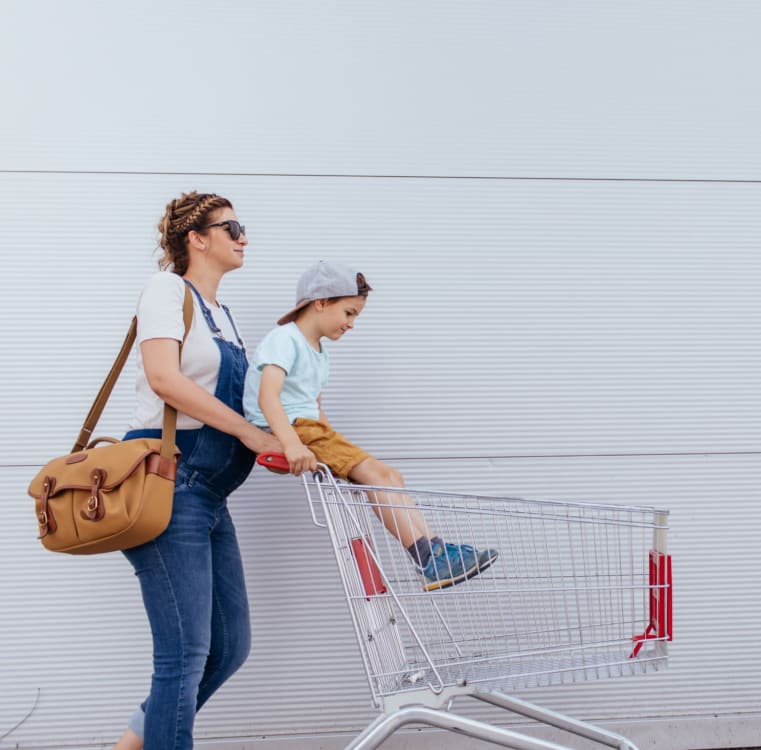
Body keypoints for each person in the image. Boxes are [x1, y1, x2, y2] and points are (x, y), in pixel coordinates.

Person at [113, 191, 281, 750]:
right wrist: (245, 431)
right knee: (183, 655)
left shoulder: (223, 319)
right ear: (197, 238)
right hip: (172, 485)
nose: (244, 238)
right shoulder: (166, 290)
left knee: (228, 647)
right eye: (232, 228)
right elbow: (164, 378)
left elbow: (249, 401)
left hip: (209, 494)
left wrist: (284, 439)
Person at [243, 260, 498, 591]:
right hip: (291, 428)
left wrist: (338, 454)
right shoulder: (284, 339)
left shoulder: (318, 351)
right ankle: (429, 559)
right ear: (320, 302)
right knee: (379, 477)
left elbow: (316, 408)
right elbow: (268, 397)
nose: (351, 324)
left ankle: (434, 548)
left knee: (390, 477)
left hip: (311, 429)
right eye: (349, 313)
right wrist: (291, 444)